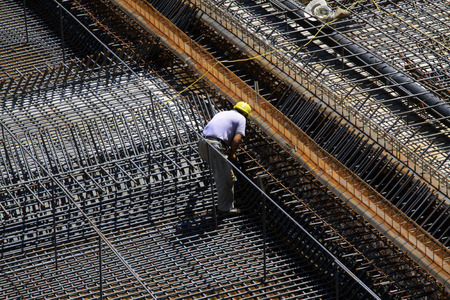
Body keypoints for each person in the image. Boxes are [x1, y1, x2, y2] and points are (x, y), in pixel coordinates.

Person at [198, 101, 251, 214]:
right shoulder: (241, 119)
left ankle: (227, 202)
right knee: (226, 179)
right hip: (215, 146)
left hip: (202, 144)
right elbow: (237, 140)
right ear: (245, 114)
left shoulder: (221, 113)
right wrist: (232, 153)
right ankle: (224, 208)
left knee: (225, 176)